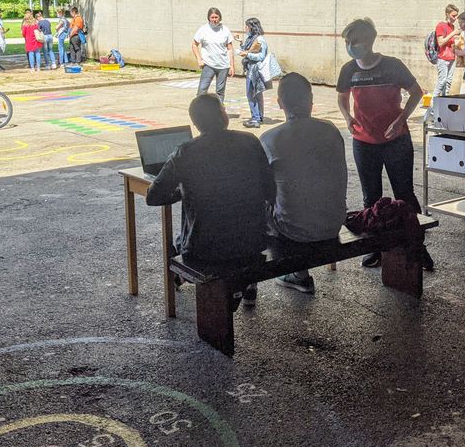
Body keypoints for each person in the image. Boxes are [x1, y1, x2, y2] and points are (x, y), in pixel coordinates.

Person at [147, 94, 273, 306]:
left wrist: (181, 192)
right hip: (253, 240)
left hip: (206, 248)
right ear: (223, 115)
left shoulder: (185, 151)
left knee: (179, 240)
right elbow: (270, 189)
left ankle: (179, 278)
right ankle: (247, 285)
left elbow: (153, 197)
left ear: (196, 123)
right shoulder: (250, 141)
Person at [337, 18, 423, 268]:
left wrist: (401, 119)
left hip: (396, 140)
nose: (350, 46)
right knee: (370, 197)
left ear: (369, 41)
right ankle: (375, 248)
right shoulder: (348, 70)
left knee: (404, 194)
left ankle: (417, 246)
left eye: (354, 41)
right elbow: (342, 97)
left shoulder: (392, 66)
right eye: (347, 42)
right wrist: (347, 117)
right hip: (363, 142)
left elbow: (417, 92)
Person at [261, 73, 347, 294]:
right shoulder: (331, 130)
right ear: (311, 100)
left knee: (252, 204)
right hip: (333, 223)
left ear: (280, 103)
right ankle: (298, 274)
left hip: (293, 231)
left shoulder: (271, 138)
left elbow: (261, 188)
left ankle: (251, 284)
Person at [192, 8, 235, 102]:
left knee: (220, 91)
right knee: (202, 90)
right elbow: (194, 45)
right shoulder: (203, 29)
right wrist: (199, 59)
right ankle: (200, 109)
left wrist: (232, 65)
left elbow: (230, 49)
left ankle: (218, 109)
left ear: (220, 18)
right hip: (208, 64)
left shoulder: (225, 30)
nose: (214, 20)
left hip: (223, 65)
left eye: (216, 17)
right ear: (209, 18)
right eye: (212, 17)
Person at [237, 18, 270, 128]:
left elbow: (261, 56)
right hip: (251, 69)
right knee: (256, 93)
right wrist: (240, 43)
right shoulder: (251, 38)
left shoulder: (260, 40)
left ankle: (256, 118)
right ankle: (258, 117)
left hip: (255, 71)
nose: (245, 28)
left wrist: (247, 55)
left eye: (247, 26)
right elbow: (247, 50)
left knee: (251, 94)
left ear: (252, 27)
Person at [433, 4, 460, 97]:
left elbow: (450, 42)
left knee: (448, 82)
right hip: (443, 58)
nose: (455, 18)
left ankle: (444, 101)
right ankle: (433, 103)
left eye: (456, 16)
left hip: (451, 57)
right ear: (447, 14)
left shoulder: (452, 26)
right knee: (442, 81)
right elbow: (440, 43)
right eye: (453, 16)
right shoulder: (441, 26)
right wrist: (453, 34)